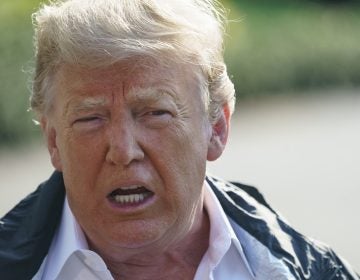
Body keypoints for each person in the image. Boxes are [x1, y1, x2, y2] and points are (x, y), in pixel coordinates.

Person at [0, 0, 358, 279]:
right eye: (90, 118)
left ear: (216, 128)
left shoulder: (306, 270)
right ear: (53, 141)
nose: (123, 152)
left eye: (155, 113)